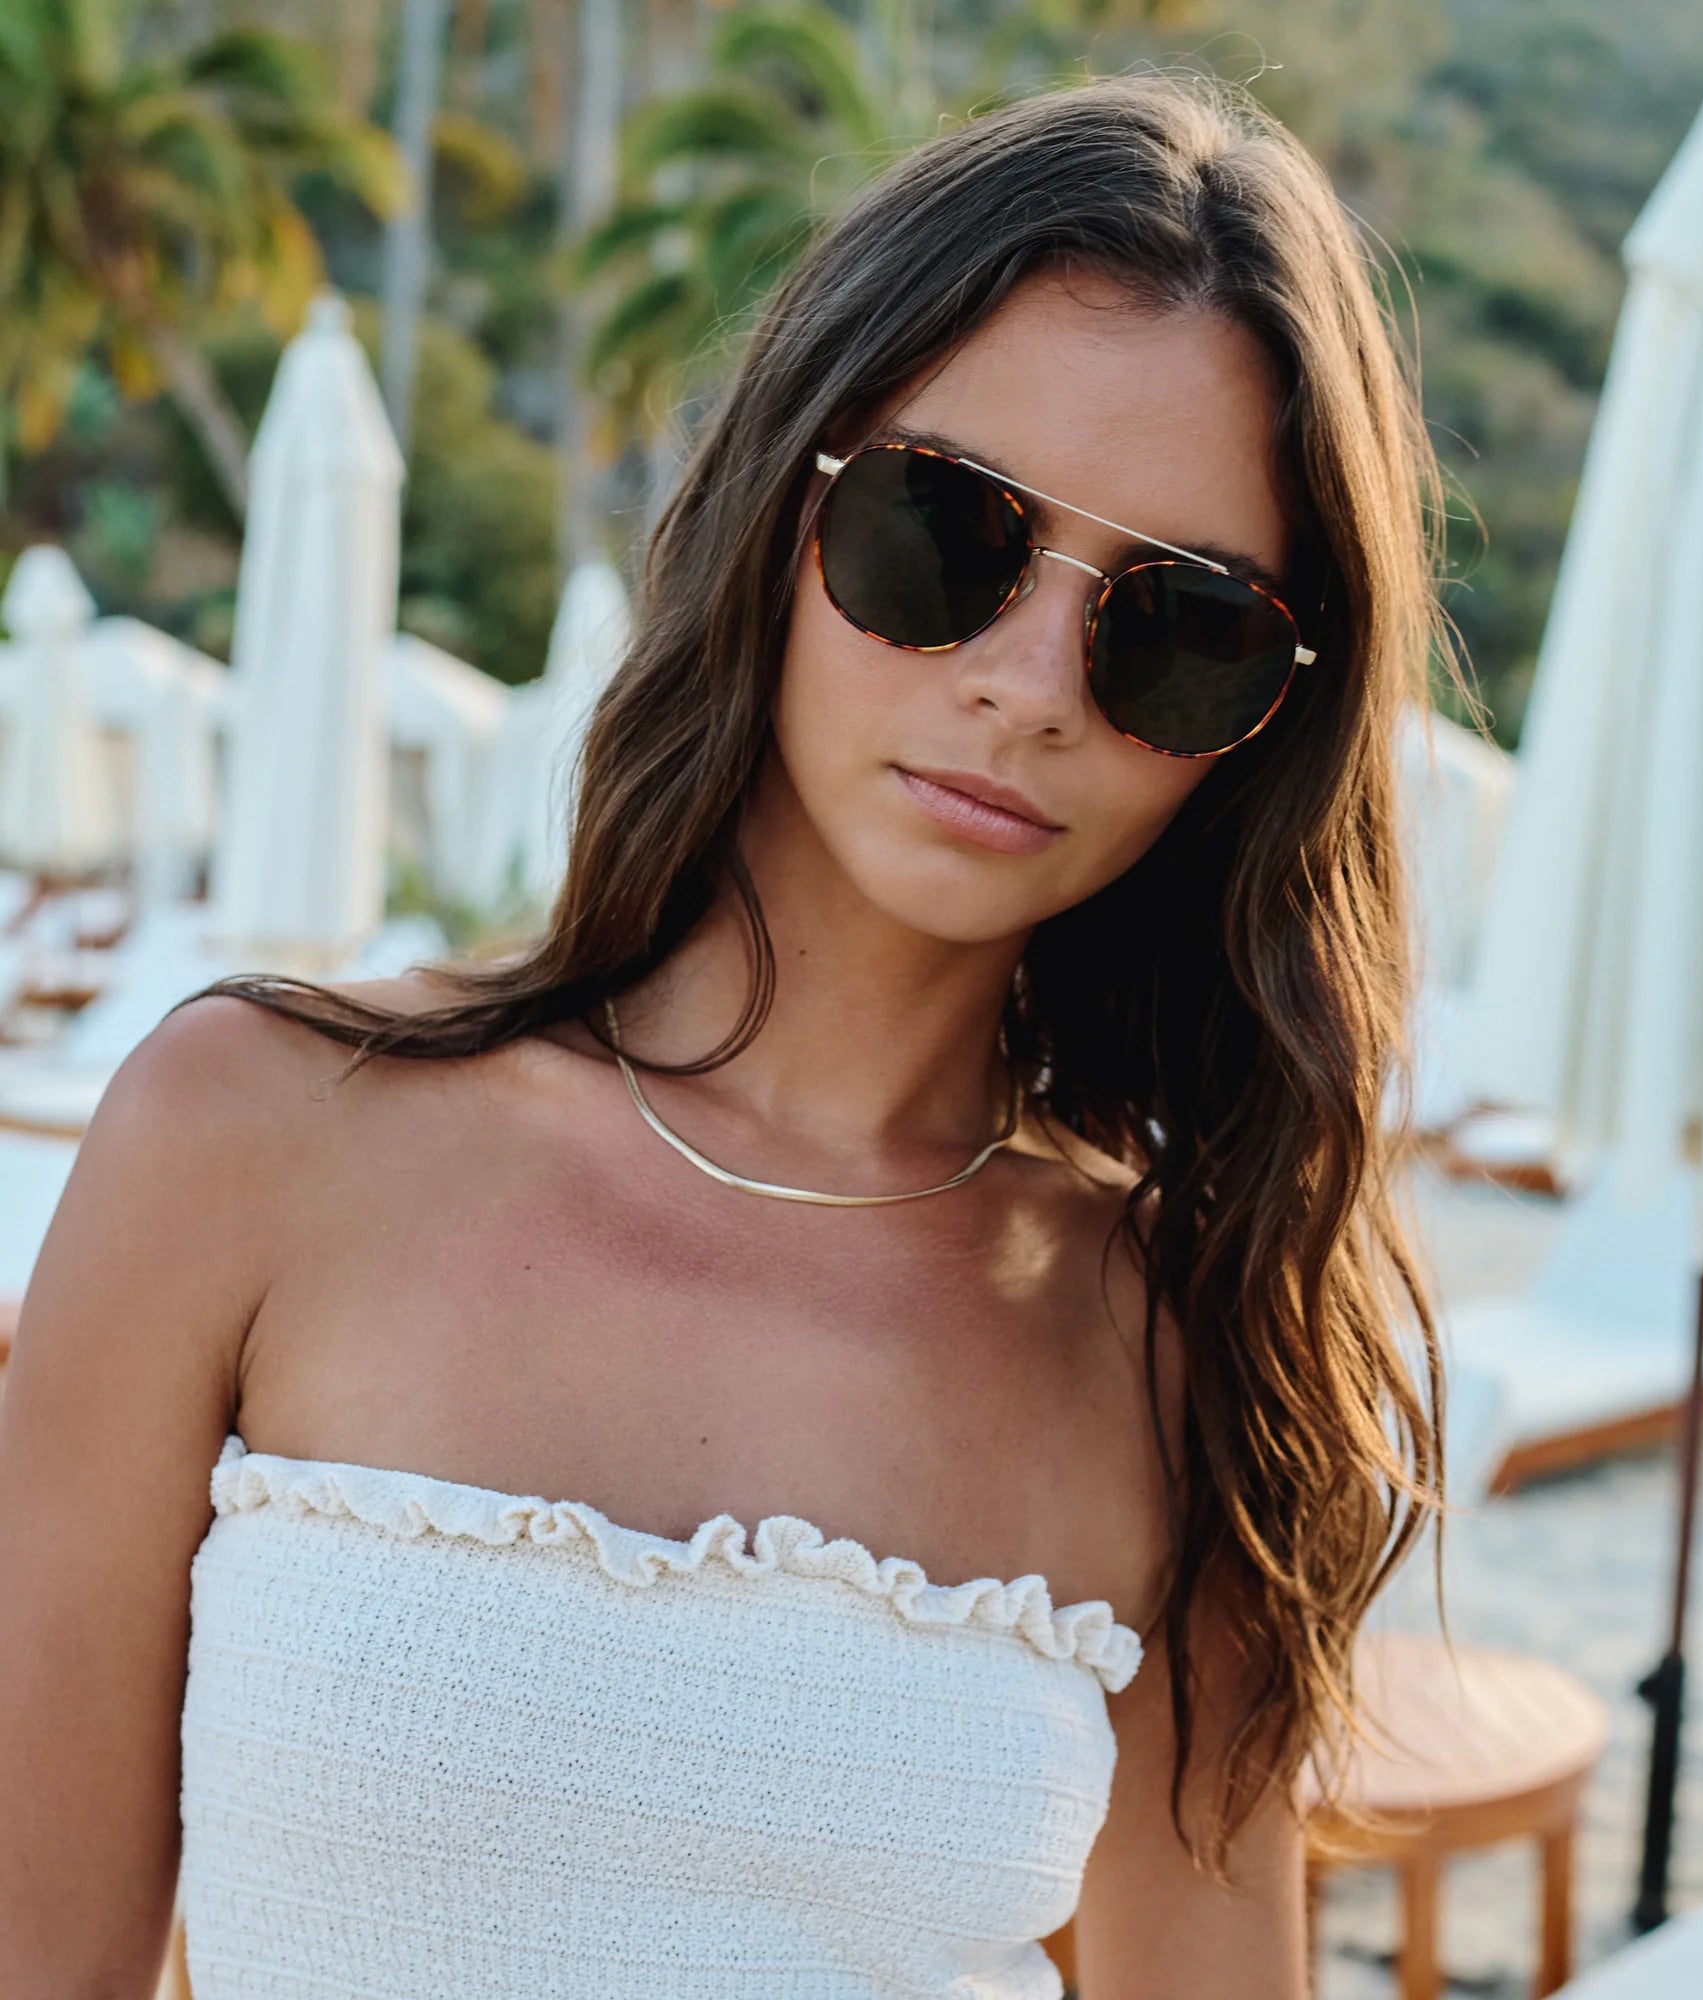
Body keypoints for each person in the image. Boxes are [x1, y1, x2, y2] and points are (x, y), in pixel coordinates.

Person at [0, 70, 1452, 2000]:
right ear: (788, 502)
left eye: (1177, 631)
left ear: (1258, 726)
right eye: (951, 534)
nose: (1026, 686)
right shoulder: (254, 1131)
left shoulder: (1174, 1344)